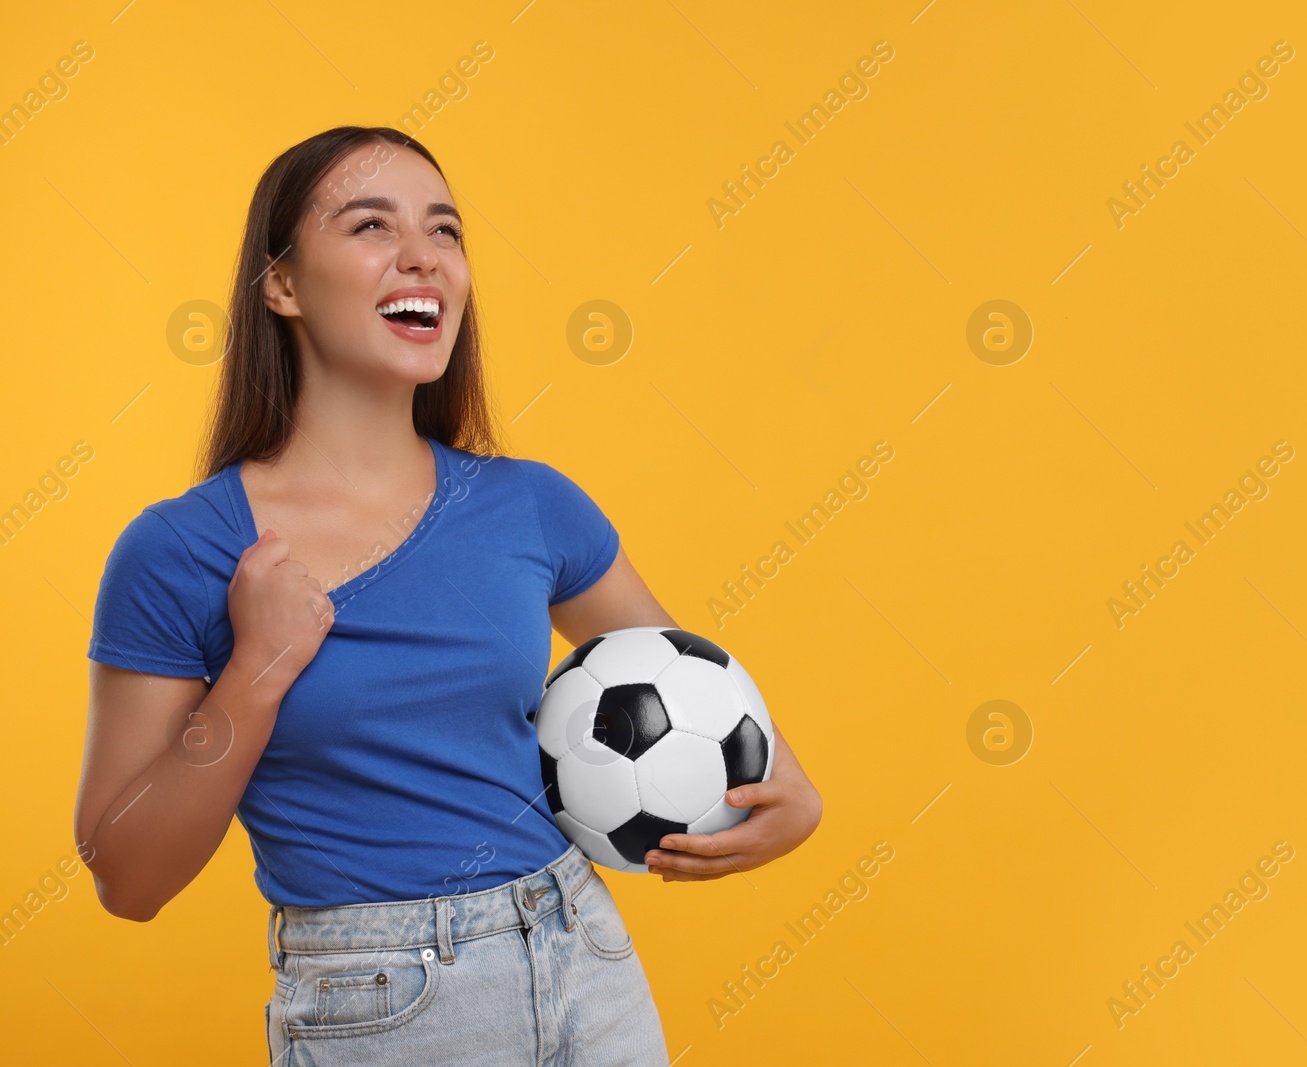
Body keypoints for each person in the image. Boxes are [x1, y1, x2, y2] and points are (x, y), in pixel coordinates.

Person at [73, 125, 822, 1065]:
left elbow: (691, 687)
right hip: (379, 1001)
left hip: (583, 955)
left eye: (446, 230)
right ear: (284, 284)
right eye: (370, 225)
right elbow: (127, 876)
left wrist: (789, 798)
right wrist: (258, 669)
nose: (422, 255)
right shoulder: (181, 549)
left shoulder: (532, 504)